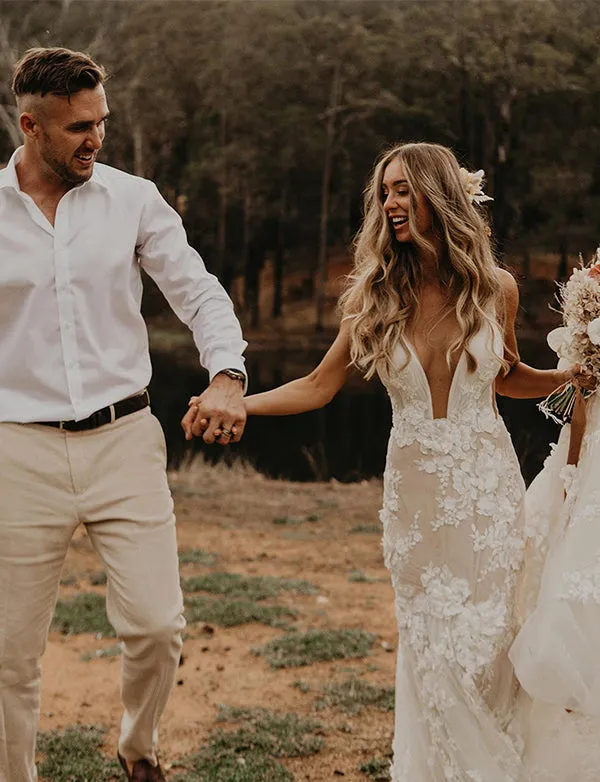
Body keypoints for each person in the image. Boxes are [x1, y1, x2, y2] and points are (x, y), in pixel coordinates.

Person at [184, 142, 577, 780]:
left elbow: (508, 378)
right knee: (434, 647)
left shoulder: (494, 288)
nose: (390, 203)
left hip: (487, 490)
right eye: (385, 192)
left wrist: (575, 375)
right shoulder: (371, 297)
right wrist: (240, 404)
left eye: (402, 190)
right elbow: (317, 386)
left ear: (437, 196)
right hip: (415, 502)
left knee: (487, 643)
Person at [0, 47, 247, 782]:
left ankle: (139, 748)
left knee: (157, 627)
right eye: (79, 127)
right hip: (17, 450)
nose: (96, 139)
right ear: (31, 125)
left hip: (124, 439)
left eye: (101, 122)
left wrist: (228, 374)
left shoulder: (133, 199)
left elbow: (198, 292)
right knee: (9, 655)